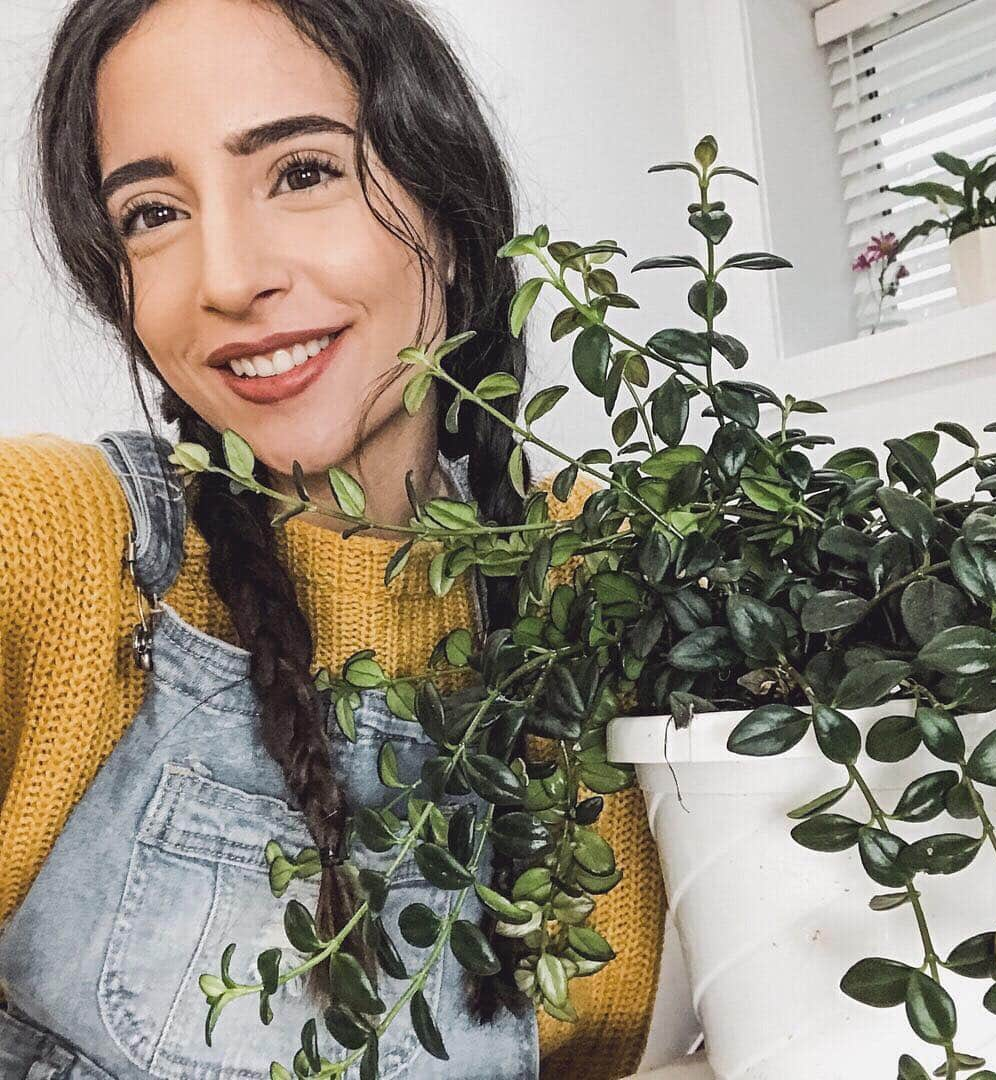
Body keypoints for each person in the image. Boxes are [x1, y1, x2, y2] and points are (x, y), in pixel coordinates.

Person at [0, 0, 667, 1077]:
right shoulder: (56, 536)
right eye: (153, 213)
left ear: (445, 212)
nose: (226, 278)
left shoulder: (614, 571)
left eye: (302, 172)